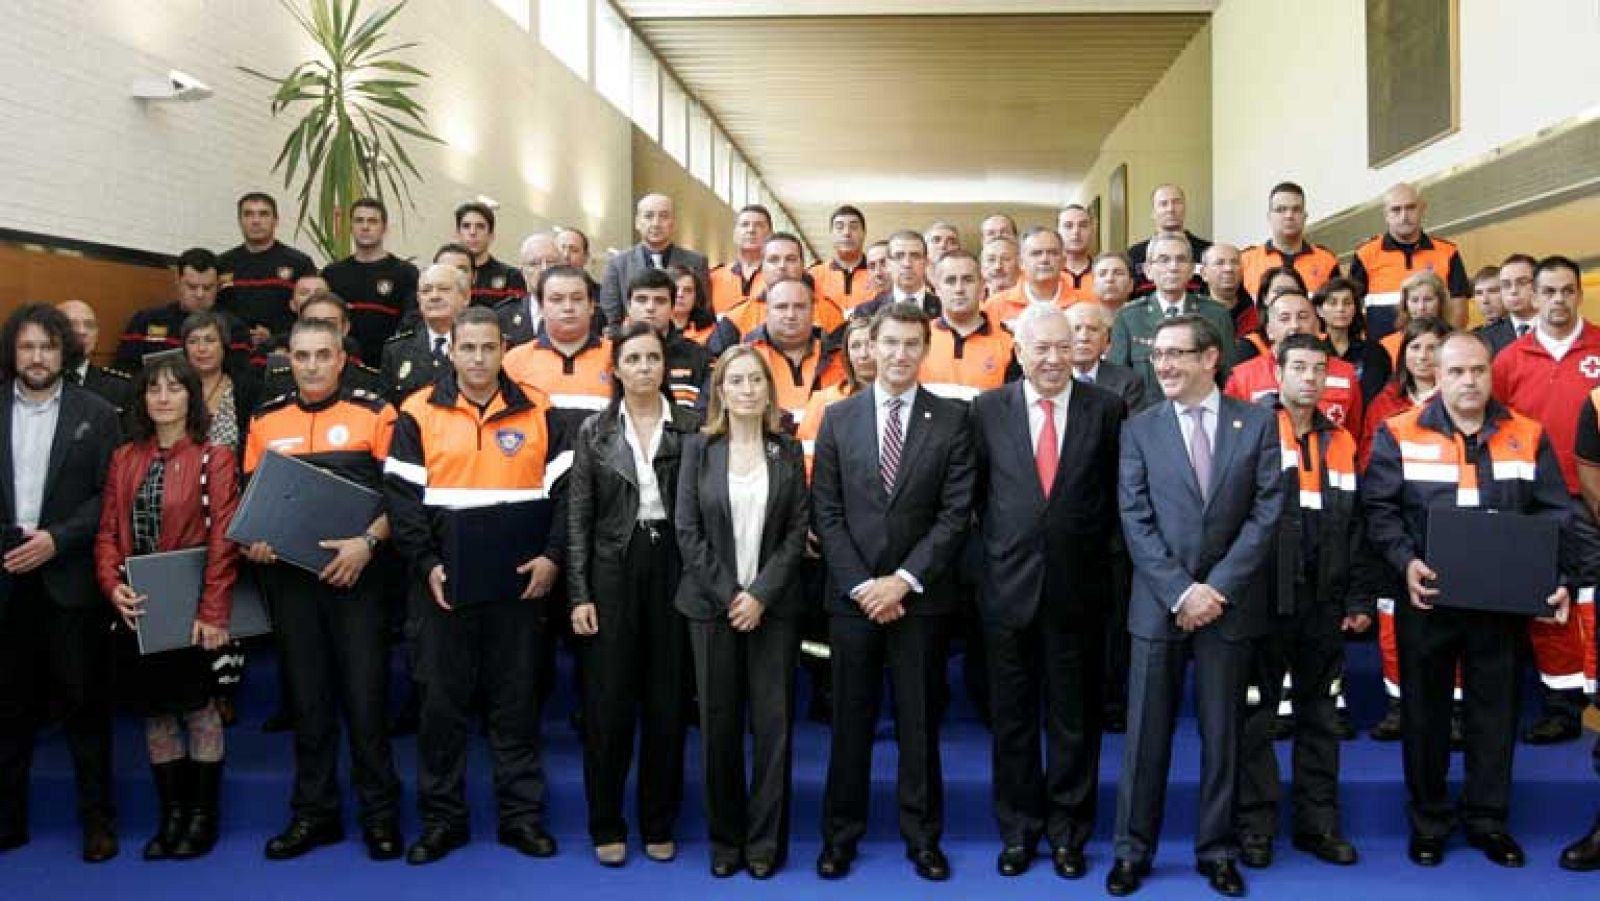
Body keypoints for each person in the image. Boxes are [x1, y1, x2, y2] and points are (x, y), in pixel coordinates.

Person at [1363, 330, 1584, 869]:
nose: (1468, 381)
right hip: (1427, 600)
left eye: (1478, 371)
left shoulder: (1528, 434)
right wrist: (1404, 563)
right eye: (1457, 371)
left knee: (1494, 716)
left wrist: (1558, 575)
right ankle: (1430, 822)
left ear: (1492, 373)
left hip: (1500, 604)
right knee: (1425, 717)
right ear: (1436, 376)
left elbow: (1556, 514)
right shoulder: (1398, 432)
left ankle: (1488, 821)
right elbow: (1380, 511)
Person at [383, 306, 568, 865]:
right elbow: (402, 503)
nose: (480, 359)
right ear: (452, 351)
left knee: (515, 707)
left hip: (521, 589)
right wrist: (426, 565)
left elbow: (565, 497)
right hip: (442, 589)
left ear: (503, 349)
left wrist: (552, 559)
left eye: (490, 348)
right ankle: (442, 821)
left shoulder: (540, 410)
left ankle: (521, 818)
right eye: (469, 348)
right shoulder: (417, 412)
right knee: (441, 708)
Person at [1108, 314, 1283, 898]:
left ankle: (1217, 850)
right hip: (1160, 606)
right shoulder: (1139, 429)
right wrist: (1182, 591)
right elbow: (1134, 519)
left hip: (1230, 607)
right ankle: (1133, 851)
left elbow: (1265, 514)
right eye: (1157, 355)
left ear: (1211, 358)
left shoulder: (1257, 424)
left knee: (1223, 735)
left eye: (1176, 354)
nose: (1163, 366)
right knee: (1145, 739)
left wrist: (1217, 589)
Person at [811, 303, 975, 883]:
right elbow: (825, 512)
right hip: (851, 600)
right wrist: (863, 585)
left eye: (912, 344)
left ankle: (923, 838)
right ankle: (840, 837)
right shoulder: (838, 417)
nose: (900, 354)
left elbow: (956, 515)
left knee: (918, 724)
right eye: (890, 343)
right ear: (869, 347)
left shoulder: (953, 420)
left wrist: (902, 582)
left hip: (920, 599)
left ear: (923, 350)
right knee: (849, 725)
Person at [969, 303, 1123, 881]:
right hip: (1006, 593)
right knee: (1011, 721)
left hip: (1080, 593)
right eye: (1042, 348)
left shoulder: (1106, 409)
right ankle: (1019, 831)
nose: (1055, 358)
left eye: (1065, 346)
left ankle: (1068, 833)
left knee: (1074, 721)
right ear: (1019, 351)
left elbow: (1113, 497)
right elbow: (976, 497)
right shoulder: (987, 410)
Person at [245, 320, 403, 862]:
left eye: (322, 355)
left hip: (359, 579)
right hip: (292, 584)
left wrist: (366, 543)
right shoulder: (266, 420)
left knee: (365, 702)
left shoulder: (376, 411)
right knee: (309, 705)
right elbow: (253, 502)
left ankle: (381, 817)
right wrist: (256, 542)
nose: (311, 365)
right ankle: (314, 816)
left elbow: (399, 495)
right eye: (301, 355)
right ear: (288, 359)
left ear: (342, 359)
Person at [94, 355, 240, 861]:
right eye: (153, 388)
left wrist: (213, 610)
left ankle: (202, 817)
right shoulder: (123, 457)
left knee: (199, 710)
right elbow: (109, 532)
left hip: (195, 606)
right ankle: (172, 815)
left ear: (189, 398)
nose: (162, 397)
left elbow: (224, 539)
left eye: (174, 388)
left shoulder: (214, 456)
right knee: (156, 715)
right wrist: (113, 585)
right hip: (140, 606)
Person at [1235, 334, 1371, 870]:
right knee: (1256, 718)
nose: (1311, 379)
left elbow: (1355, 525)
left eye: (1320, 369)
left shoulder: (1341, 441)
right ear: (1278, 372)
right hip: (1262, 603)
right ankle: (1256, 826)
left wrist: (1355, 593)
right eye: (1300, 368)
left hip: (1323, 604)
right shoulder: (1250, 430)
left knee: (1320, 718)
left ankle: (1319, 826)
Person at [565, 324, 699, 867]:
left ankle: (659, 821)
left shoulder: (691, 428)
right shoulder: (594, 432)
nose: (644, 367)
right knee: (608, 706)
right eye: (634, 358)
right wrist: (579, 593)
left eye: (653, 358)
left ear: (665, 366)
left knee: (667, 704)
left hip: (673, 565)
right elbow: (578, 517)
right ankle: (606, 823)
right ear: (616, 368)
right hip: (611, 571)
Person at [674, 345, 808, 879]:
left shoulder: (788, 451)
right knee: (719, 726)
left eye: (757, 380)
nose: (748, 389)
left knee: (774, 731)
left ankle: (763, 843)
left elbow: (798, 531)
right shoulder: (697, 450)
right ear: (721, 391)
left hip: (772, 610)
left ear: (768, 391)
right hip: (711, 609)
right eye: (737, 380)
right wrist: (732, 595)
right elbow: (687, 530)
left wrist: (760, 596)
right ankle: (725, 840)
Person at [0, 304, 123, 863]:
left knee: (84, 705)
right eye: (27, 347)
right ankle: (8, 820)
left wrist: (58, 538)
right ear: (13, 353)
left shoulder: (97, 414)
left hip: (69, 580)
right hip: (5, 580)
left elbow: (108, 496)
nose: (37, 357)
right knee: (8, 708)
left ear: (65, 351)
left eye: (47, 347)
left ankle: (97, 821)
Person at [1492, 254, 1600, 743]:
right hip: (1526, 501)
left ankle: (1577, 703)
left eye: (1566, 290)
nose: (1558, 300)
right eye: (1549, 291)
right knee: (1531, 600)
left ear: (1579, 293)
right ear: (1533, 298)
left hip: (1587, 501)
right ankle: (1534, 705)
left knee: (1578, 602)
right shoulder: (1510, 360)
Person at [1359, 316, 1453, 741]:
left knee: (1453, 620)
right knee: (1391, 619)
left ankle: (1453, 708)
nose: (1423, 357)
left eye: (1433, 348)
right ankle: (1400, 704)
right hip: (1394, 530)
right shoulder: (1384, 402)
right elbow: (1367, 462)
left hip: (1449, 529)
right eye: (1415, 348)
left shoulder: (1460, 402)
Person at [179, 310, 263, 724]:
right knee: (186, 596)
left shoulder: (244, 387)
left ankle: (224, 689)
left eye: (209, 340)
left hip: (232, 506)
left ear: (224, 345)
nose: (201, 348)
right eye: (194, 341)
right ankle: (193, 687)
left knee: (225, 596)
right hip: (184, 511)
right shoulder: (174, 388)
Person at [1109, 233, 1235, 407]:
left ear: (1192, 270)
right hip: (1147, 422)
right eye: (1164, 260)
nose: (1173, 267)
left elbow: (1229, 379)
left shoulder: (1216, 315)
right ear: (1148, 271)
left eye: (1181, 259)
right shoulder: (1129, 318)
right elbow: (1117, 382)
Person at [1225, 290, 1364, 433]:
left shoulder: (1346, 373)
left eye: (1303, 317)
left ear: (1317, 325)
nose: (1295, 325)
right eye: (1285, 318)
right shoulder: (1242, 377)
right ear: (1269, 330)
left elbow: (1355, 435)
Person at [1349, 182, 1471, 337]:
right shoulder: (1365, 254)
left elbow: (1459, 312)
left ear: (1422, 209)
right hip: (1381, 354)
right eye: (1396, 209)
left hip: (1435, 351)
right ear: (1386, 215)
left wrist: (1446, 347)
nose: (1404, 216)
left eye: (1410, 207)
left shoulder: (1447, 252)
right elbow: (1351, 310)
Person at [114, 248, 251, 373]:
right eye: (192, 287)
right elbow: (124, 371)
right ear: (178, 282)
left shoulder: (234, 329)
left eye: (207, 288)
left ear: (218, 286)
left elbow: (240, 381)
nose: (199, 294)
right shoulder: (146, 321)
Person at [321, 197, 419, 364]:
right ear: (351, 227)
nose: (365, 227)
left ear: (384, 228)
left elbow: (411, 324)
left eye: (372, 221)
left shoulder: (405, 273)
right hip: (341, 366)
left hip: (388, 366)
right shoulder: (332, 274)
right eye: (359, 221)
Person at [217, 192, 317, 350]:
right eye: (248, 214)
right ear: (240, 221)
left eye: (263, 214)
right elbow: (217, 310)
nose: (256, 221)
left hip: (285, 350)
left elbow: (312, 311)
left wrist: (275, 337)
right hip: (234, 351)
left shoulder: (299, 263)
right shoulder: (222, 263)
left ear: (276, 221)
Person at [920, 250, 1017, 402]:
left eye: (968, 280)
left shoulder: (1009, 342)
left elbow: (1014, 403)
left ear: (982, 286)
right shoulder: (919, 338)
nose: (959, 289)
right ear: (937, 289)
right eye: (950, 281)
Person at [600, 193, 709, 326]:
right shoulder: (618, 264)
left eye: (663, 216)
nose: (656, 223)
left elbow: (702, 313)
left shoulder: (696, 262)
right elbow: (610, 319)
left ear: (673, 223)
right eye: (648, 216)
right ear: (637, 223)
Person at [380, 264, 470, 405]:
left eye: (444, 289)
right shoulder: (397, 350)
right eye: (426, 291)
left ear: (465, 297)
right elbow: (386, 410)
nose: (434, 296)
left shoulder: (480, 346)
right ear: (418, 299)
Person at [624, 268, 710, 410]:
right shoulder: (609, 356)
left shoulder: (699, 357)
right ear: (628, 306)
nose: (650, 307)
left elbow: (705, 417)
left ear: (672, 307)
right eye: (641, 299)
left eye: (660, 301)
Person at [1239, 182, 1342, 296]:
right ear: (1269, 216)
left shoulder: (1327, 261)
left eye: (1296, 209)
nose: (1289, 215)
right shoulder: (1245, 262)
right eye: (1281, 209)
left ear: (1305, 216)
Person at [1315, 277, 1391, 404]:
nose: (1340, 309)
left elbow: (1378, 397)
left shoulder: (1374, 352)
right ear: (1320, 310)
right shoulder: (1314, 353)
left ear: (1355, 308)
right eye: (1333, 303)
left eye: (1347, 302)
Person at [1126, 184, 1211, 297]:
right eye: (1163, 204)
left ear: (1185, 208)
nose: (1170, 209)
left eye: (1176, 202)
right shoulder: (1134, 254)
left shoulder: (1208, 251)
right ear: (1153, 212)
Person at [984, 228, 1077, 326]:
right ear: (1021, 262)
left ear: (1063, 261)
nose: (1044, 259)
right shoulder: (995, 306)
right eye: (1036, 253)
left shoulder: (1086, 302)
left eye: (1052, 253)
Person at [56, 300, 132, 414]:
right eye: (71, 324)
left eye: (89, 325)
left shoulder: (120, 388)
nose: (82, 331)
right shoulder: (36, 382)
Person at [454, 201, 526, 310]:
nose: (472, 232)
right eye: (466, 226)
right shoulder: (445, 274)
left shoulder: (511, 277)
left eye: (480, 226)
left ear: (491, 235)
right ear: (458, 234)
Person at [853, 231, 941, 320]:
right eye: (899, 256)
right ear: (888, 264)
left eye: (915, 256)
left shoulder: (943, 307)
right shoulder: (867, 312)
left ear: (926, 262)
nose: (907, 264)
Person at [808, 206, 875, 315]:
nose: (846, 233)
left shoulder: (879, 274)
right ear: (831, 234)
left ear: (864, 233)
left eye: (853, 227)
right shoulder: (813, 276)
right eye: (839, 227)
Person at [710, 205, 772, 314]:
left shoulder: (781, 276)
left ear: (770, 234)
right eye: (744, 225)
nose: (751, 230)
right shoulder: (714, 278)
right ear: (735, 233)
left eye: (759, 225)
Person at [1378, 270, 1448, 367]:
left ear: (1441, 302)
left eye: (1428, 299)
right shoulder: (1387, 344)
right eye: (1414, 300)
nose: (1421, 307)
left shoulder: (1454, 340)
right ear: (1405, 304)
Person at [1480, 254, 1540, 355]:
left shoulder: (1560, 329)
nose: (1513, 291)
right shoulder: (1485, 339)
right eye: (1506, 285)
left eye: (1522, 282)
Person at [1202, 243, 1257, 337]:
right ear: (1204, 274)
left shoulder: (1257, 311)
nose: (1229, 269)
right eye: (1219, 263)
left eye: (1234, 262)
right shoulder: (1193, 314)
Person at [668, 264, 717, 346]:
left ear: (696, 296)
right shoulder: (652, 329)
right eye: (675, 289)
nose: (680, 294)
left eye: (687, 290)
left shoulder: (712, 332)